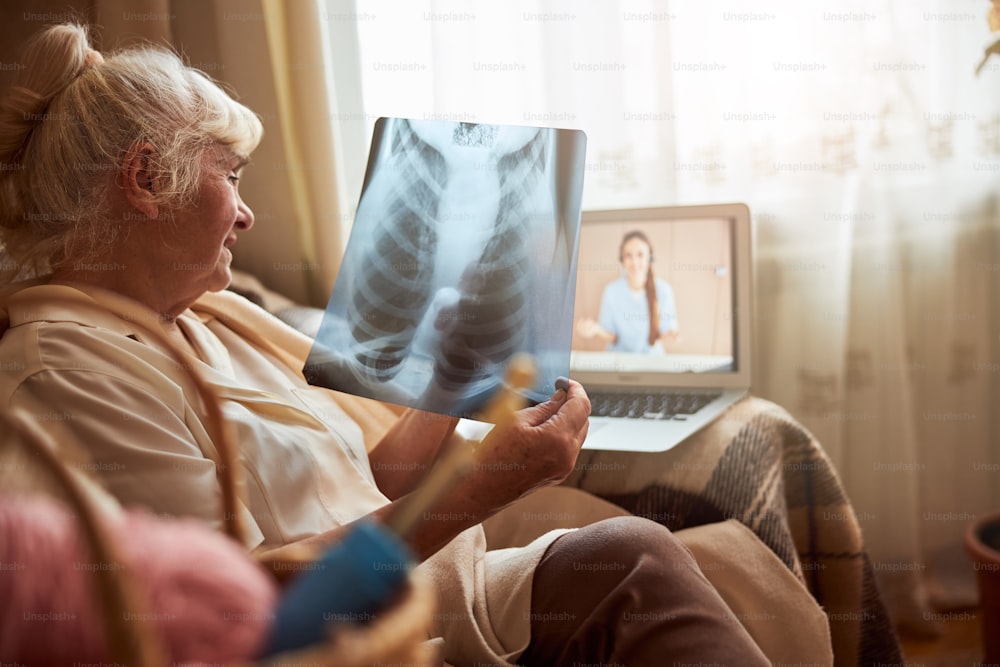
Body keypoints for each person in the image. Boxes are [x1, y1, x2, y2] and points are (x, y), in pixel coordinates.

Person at [0, 24, 770, 667]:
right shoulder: (64, 374)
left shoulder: (204, 319)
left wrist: (446, 382)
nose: (246, 215)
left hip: (420, 579)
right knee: (635, 558)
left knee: (686, 557)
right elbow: (229, 601)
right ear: (145, 180)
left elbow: (357, 480)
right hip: (361, 634)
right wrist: (478, 488)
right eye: (229, 175)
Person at [577, 229, 681, 353]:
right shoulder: (611, 291)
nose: (634, 262)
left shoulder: (664, 291)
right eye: (628, 256)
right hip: (618, 361)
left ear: (649, 258)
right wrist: (595, 330)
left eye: (640, 255)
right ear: (622, 260)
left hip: (651, 360)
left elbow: (665, 333)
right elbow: (611, 336)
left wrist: (673, 336)